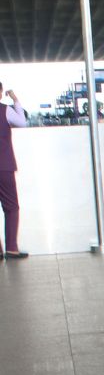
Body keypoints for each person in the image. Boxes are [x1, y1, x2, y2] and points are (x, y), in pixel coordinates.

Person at [0, 82, 29, 260]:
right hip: (3, 166)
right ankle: (11, 248)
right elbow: (22, 123)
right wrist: (15, 100)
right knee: (11, 207)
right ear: (1, 92)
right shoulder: (5, 110)